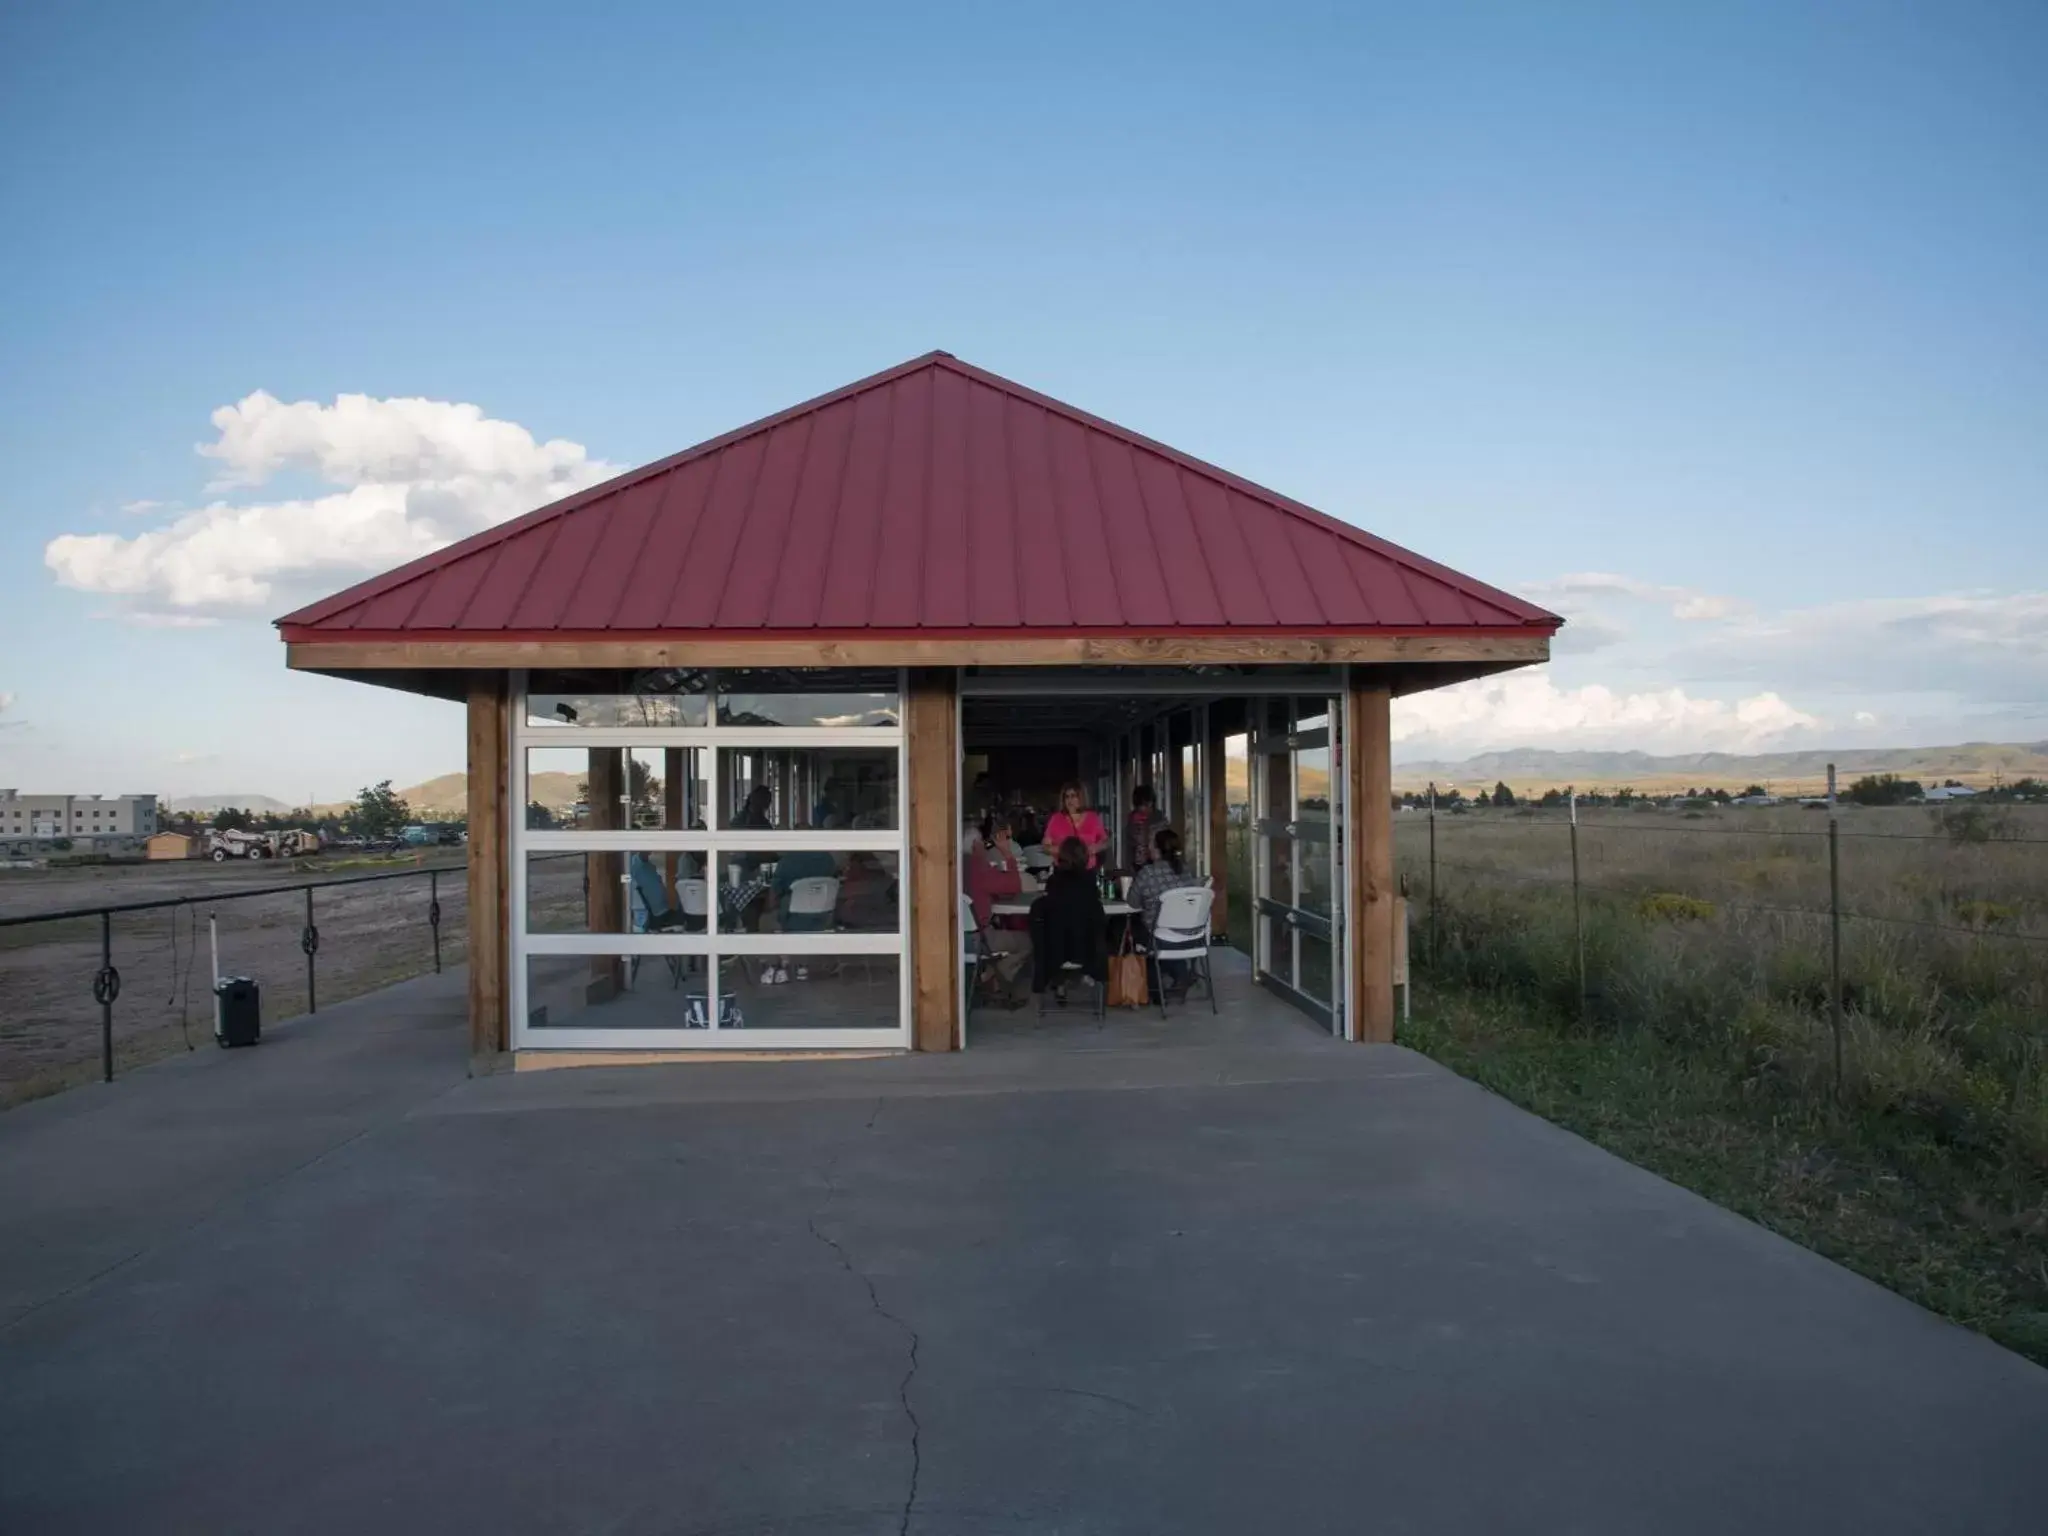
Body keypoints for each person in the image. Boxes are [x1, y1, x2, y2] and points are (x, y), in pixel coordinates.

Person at [1029, 835, 1107, 1002]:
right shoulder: (1089, 883)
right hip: (1086, 951)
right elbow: (1098, 918)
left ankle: (1059, 982)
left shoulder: (1054, 882)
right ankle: (1090, 980)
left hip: (1056, 951)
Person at [1129, 826, 1206, 994]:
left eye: (1150, 843)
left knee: (1130, 926)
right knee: (1162, 931)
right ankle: (1180, 973)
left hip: (1161, 939)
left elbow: (1132, 903)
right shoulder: (1185, 871)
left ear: (1156, 850)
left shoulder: (1148, 873)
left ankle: (1153, 988)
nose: (1147, 846)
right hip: (1190, 938)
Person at [965, 813, 1030, 1000]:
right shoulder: (979, 867)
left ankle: (989, 976)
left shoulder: (953, 866)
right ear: (975, 846)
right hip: (980, 938)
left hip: (954, 937)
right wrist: (1008, 855)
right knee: (1028, 940)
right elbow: (1013, 888)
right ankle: (998, 974)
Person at [1041, 782, 1109, 870]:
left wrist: (1094, 848)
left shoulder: (1092, 818)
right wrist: (1063, 851)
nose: (1070, 800)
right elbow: (1046, 846)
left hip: (1088, 870)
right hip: (1063, 870)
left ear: (1081, 798)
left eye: (1073, 796)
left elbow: (1105, 841)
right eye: (1067, 797)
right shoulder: (1056, 819)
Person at [1126, 785, 1170, 867]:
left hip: (1157, 862)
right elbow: (1130, 844)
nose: (1148, 808)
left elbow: (1166, 840)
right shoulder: (1132, 819)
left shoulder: (1159, 817)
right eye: (1144, 805)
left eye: (1150, 804)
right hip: (1139, 863)